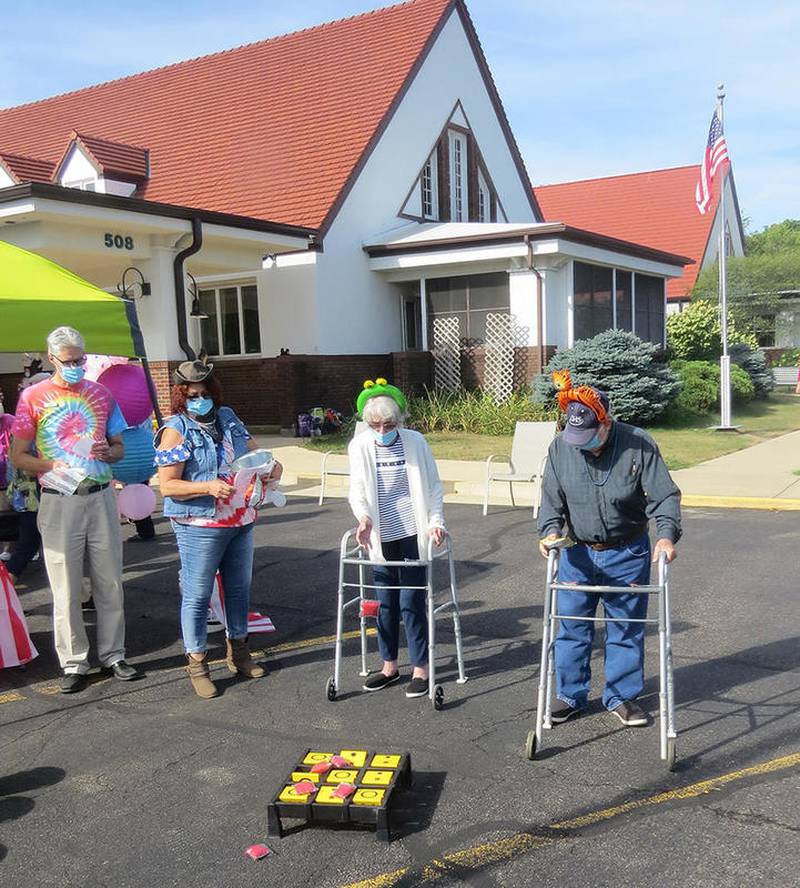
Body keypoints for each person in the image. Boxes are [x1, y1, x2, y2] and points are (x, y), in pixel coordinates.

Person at [537, 370, 681, 727]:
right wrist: (548, 531)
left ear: (606, 423)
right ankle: (570, 695)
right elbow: (551, 501)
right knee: (571, 627)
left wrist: (666, 536)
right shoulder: (560, 448)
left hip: (627, 552)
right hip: (577, 554)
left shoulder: (638, 443)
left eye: (587, 436)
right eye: (575, 436)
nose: (580, 443)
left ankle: (621, 696)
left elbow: (664, 496)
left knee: (625, 628)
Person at [10, 327, 142, 693]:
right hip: (59, 499)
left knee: (110, 581)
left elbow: (119, 447)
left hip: (100, 496)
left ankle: (115, 654)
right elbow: (18, 455)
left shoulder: (101, 394)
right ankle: (74, 662)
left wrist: (108, 452)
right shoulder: (33, 397)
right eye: (69, 361)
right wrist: (51, 466)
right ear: (51, 358)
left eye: (81, 359)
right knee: (65, 586)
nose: (77, 366)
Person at [154, 360, 282, 699]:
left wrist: (272, 468)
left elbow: (258, 456)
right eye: (193, 395)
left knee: (239, 589)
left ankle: (239, 652)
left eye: (206, 393)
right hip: (200, 522)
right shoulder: (176, 430)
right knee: (197, 596)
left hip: (240, 517)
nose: (201, 399)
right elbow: (167, 486)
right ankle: (197, 663)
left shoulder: (228, 418)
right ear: (182, 396)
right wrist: (207, 487)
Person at [348, 378, 446, 699]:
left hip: (412, 531)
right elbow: (358, 490)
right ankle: (389, 666)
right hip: (381, 534)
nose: (381, 430)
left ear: (399, 421)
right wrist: (363, 518)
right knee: (385, 604)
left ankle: (421, 668)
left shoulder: (415, 441)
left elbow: (432, 486)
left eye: (388, 424)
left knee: (411, 601)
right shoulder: (359, 446)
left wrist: (435, 522)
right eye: (375, 424)